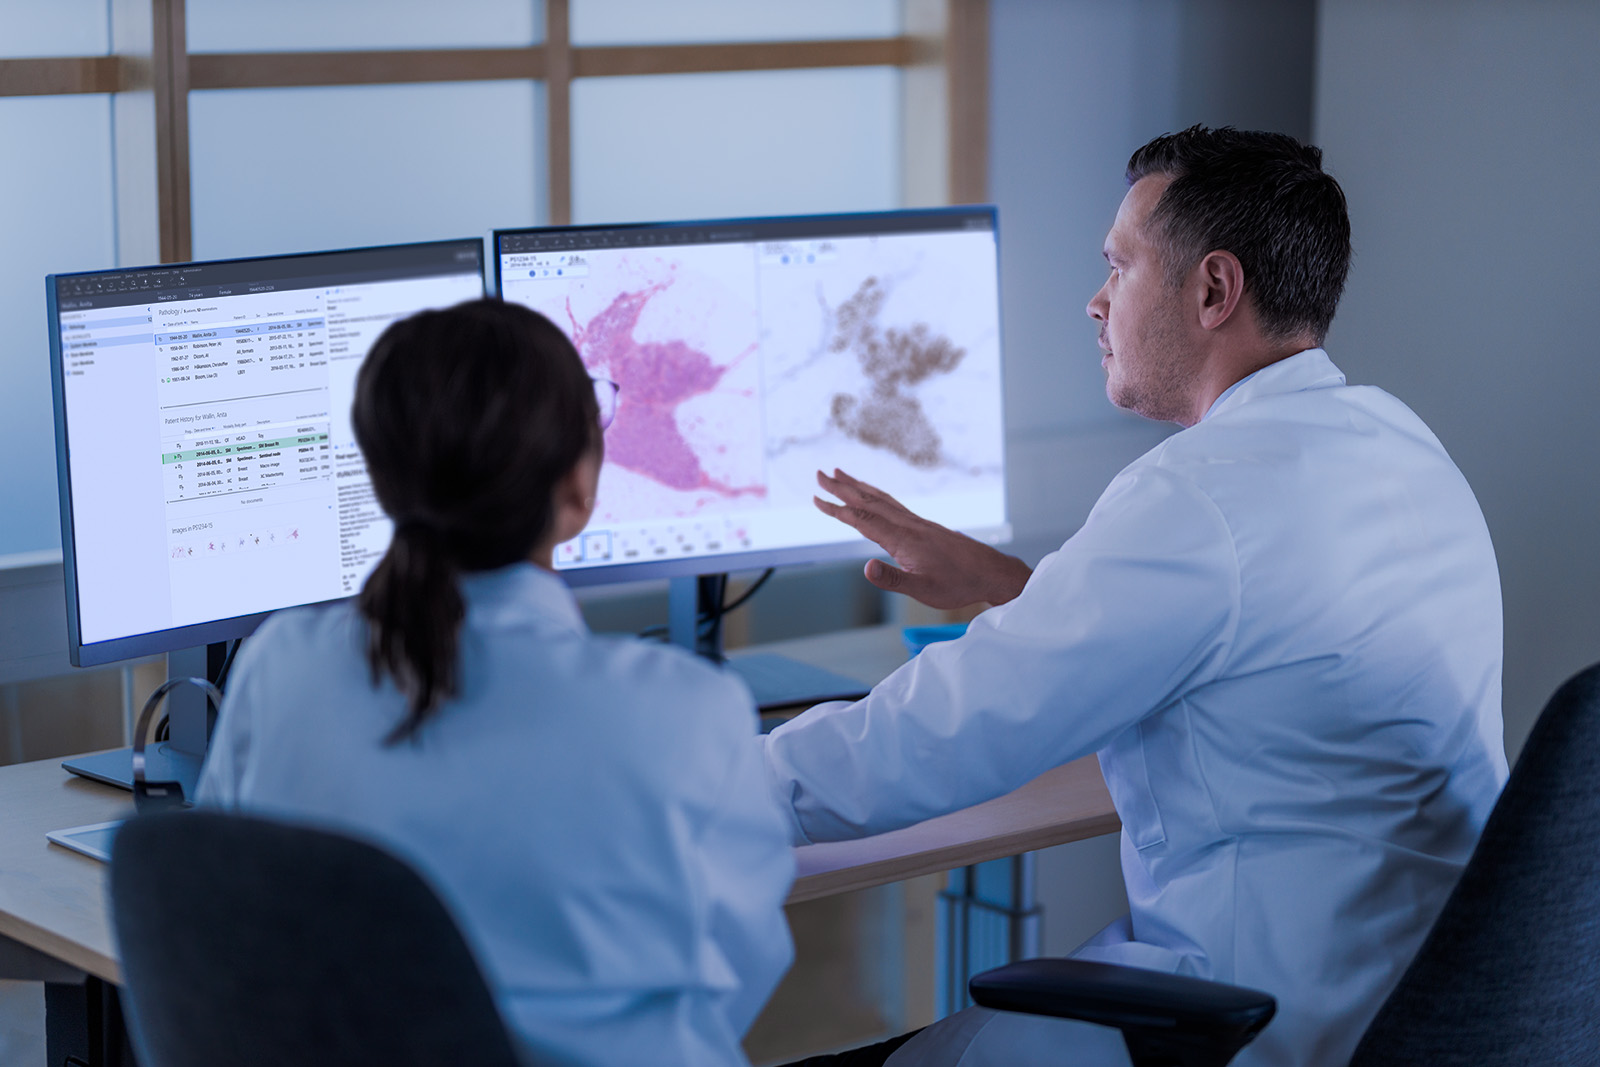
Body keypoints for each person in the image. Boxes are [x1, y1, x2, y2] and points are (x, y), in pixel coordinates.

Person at [763, 126, 1507, 1067]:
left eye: (1119, 266)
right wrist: (1014, 592)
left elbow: (928, 743)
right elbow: (1249, 640)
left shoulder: (1197, 493)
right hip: (1430, 1004)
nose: (1096, 300)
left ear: (1212, 290)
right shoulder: (1399, 442)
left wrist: (691, 785)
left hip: (1247, 1022)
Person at [197, 299, 795, 1067]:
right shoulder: (683, 707)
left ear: (382, 481)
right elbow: (734, 971)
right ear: (578, 488)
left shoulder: (280, 664)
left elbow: (230, 909)